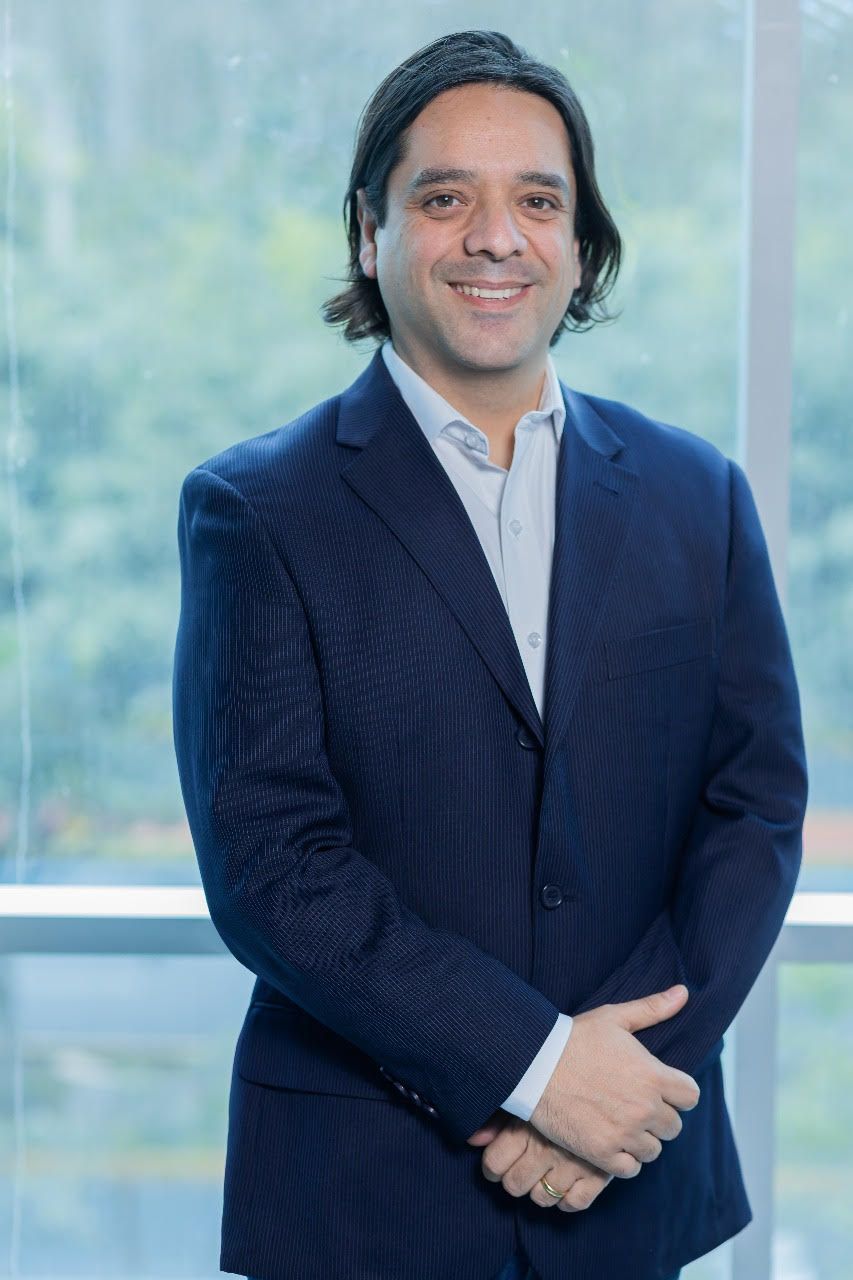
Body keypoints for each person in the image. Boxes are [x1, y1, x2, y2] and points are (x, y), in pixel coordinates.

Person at [171, 28, 808, 1280]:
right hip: (365, 1200)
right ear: (371, 231)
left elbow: (753, 807)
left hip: (634, 1179)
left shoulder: (698, 494)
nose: (495, 237)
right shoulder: (258, 510)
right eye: (444, 197)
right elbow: (272, 865)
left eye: (537, 199)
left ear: (581, 242)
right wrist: (534, 1069)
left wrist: (622, 1086)